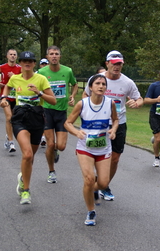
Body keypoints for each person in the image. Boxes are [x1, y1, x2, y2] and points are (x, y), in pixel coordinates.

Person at [82, 50, 143, 201]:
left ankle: (104, 185)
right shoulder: (97, 80)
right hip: (97, 125)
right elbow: (85, 96)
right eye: (114, 64)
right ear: (107, 63)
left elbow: (140, 98)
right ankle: (98, 182)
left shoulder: (127, 82)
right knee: (97, 155)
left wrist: (136, 103)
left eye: (119, 64)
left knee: (115, 159)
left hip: (119, 123)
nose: (117, 67)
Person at [0, 51, 56, 205]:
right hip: (20, 119)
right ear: (21, 62)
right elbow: (6, 89)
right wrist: (4, 98)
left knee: (30, 158)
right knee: (27, 154)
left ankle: (22, 178)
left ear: (34, 63)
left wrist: (39, 93)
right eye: (24, 61)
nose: (27, 63)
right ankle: (26, 191)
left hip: (37, 119)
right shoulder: (15, 78)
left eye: (30, 61)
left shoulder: (41, 79)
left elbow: (53, 101)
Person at [65, 74, 118, 225]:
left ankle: (90, 189)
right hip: (85, 148)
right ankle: (91, 211)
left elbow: (115, 119)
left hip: (103, 148)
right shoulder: (82, 104)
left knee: (103, 183)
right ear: (90, 87)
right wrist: (76, 132)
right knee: (89, 179)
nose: (101, 86)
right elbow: (68, 123)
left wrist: (113, 130)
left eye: (103, 84)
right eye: (98, 83)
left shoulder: (110, 103)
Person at [38, 45, 78, 183]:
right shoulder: (41, 72)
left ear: (60, 56)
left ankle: (55, 151)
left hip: (61, 112)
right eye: (51, 54)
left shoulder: (67, 71)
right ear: (47, 56)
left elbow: (74, 84)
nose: (54, 56)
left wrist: (72, 95)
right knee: (50, 144)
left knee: (60, 146)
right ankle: (51, 171)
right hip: (47, 111)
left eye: (56, 54)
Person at [0, 49, 22, 153]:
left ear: (16, 57)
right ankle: (11, 143)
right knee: (9, 117)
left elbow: (25, 80)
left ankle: (8, 136)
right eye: (11, 54)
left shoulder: (20, 68)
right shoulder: (2, 67)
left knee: (14, 119)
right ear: (7, 56)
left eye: (14, 55)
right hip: (5, 96)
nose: (13, 56)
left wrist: (15, 78)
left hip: (17, 97)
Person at [38, 58, 49, 147]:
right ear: (40, 65)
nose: (44, 66)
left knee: (46, 119)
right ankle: (41, 136)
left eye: (46, 64)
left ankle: (43, 138)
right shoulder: (37, 74)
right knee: (41, 120)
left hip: (48, 100)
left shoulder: (51, 74)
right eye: (43, 64)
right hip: (40, 100)